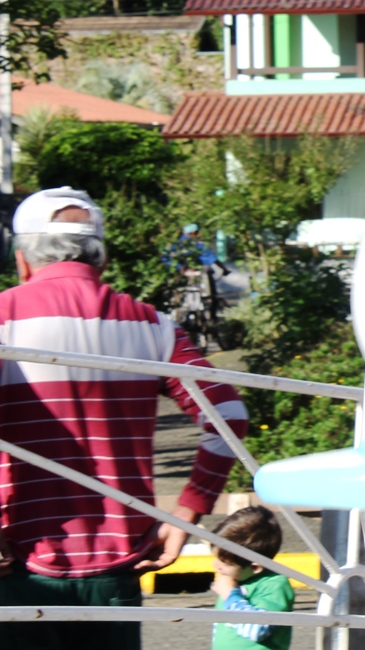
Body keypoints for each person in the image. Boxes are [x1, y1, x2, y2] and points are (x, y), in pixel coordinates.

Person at [0, 187, 248, 650]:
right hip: (118, 566)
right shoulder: (153, 326)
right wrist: (186, 514)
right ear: (102, 258)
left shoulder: (3, 319)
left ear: (22, 259)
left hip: (17, 563)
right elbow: (229, 415)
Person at [210, 506, 294, 650]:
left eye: (224, 563)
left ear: (255, 567)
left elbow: (256, 629)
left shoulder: (274, 585)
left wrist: (230, 595)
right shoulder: (236, 580)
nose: (215, 565)